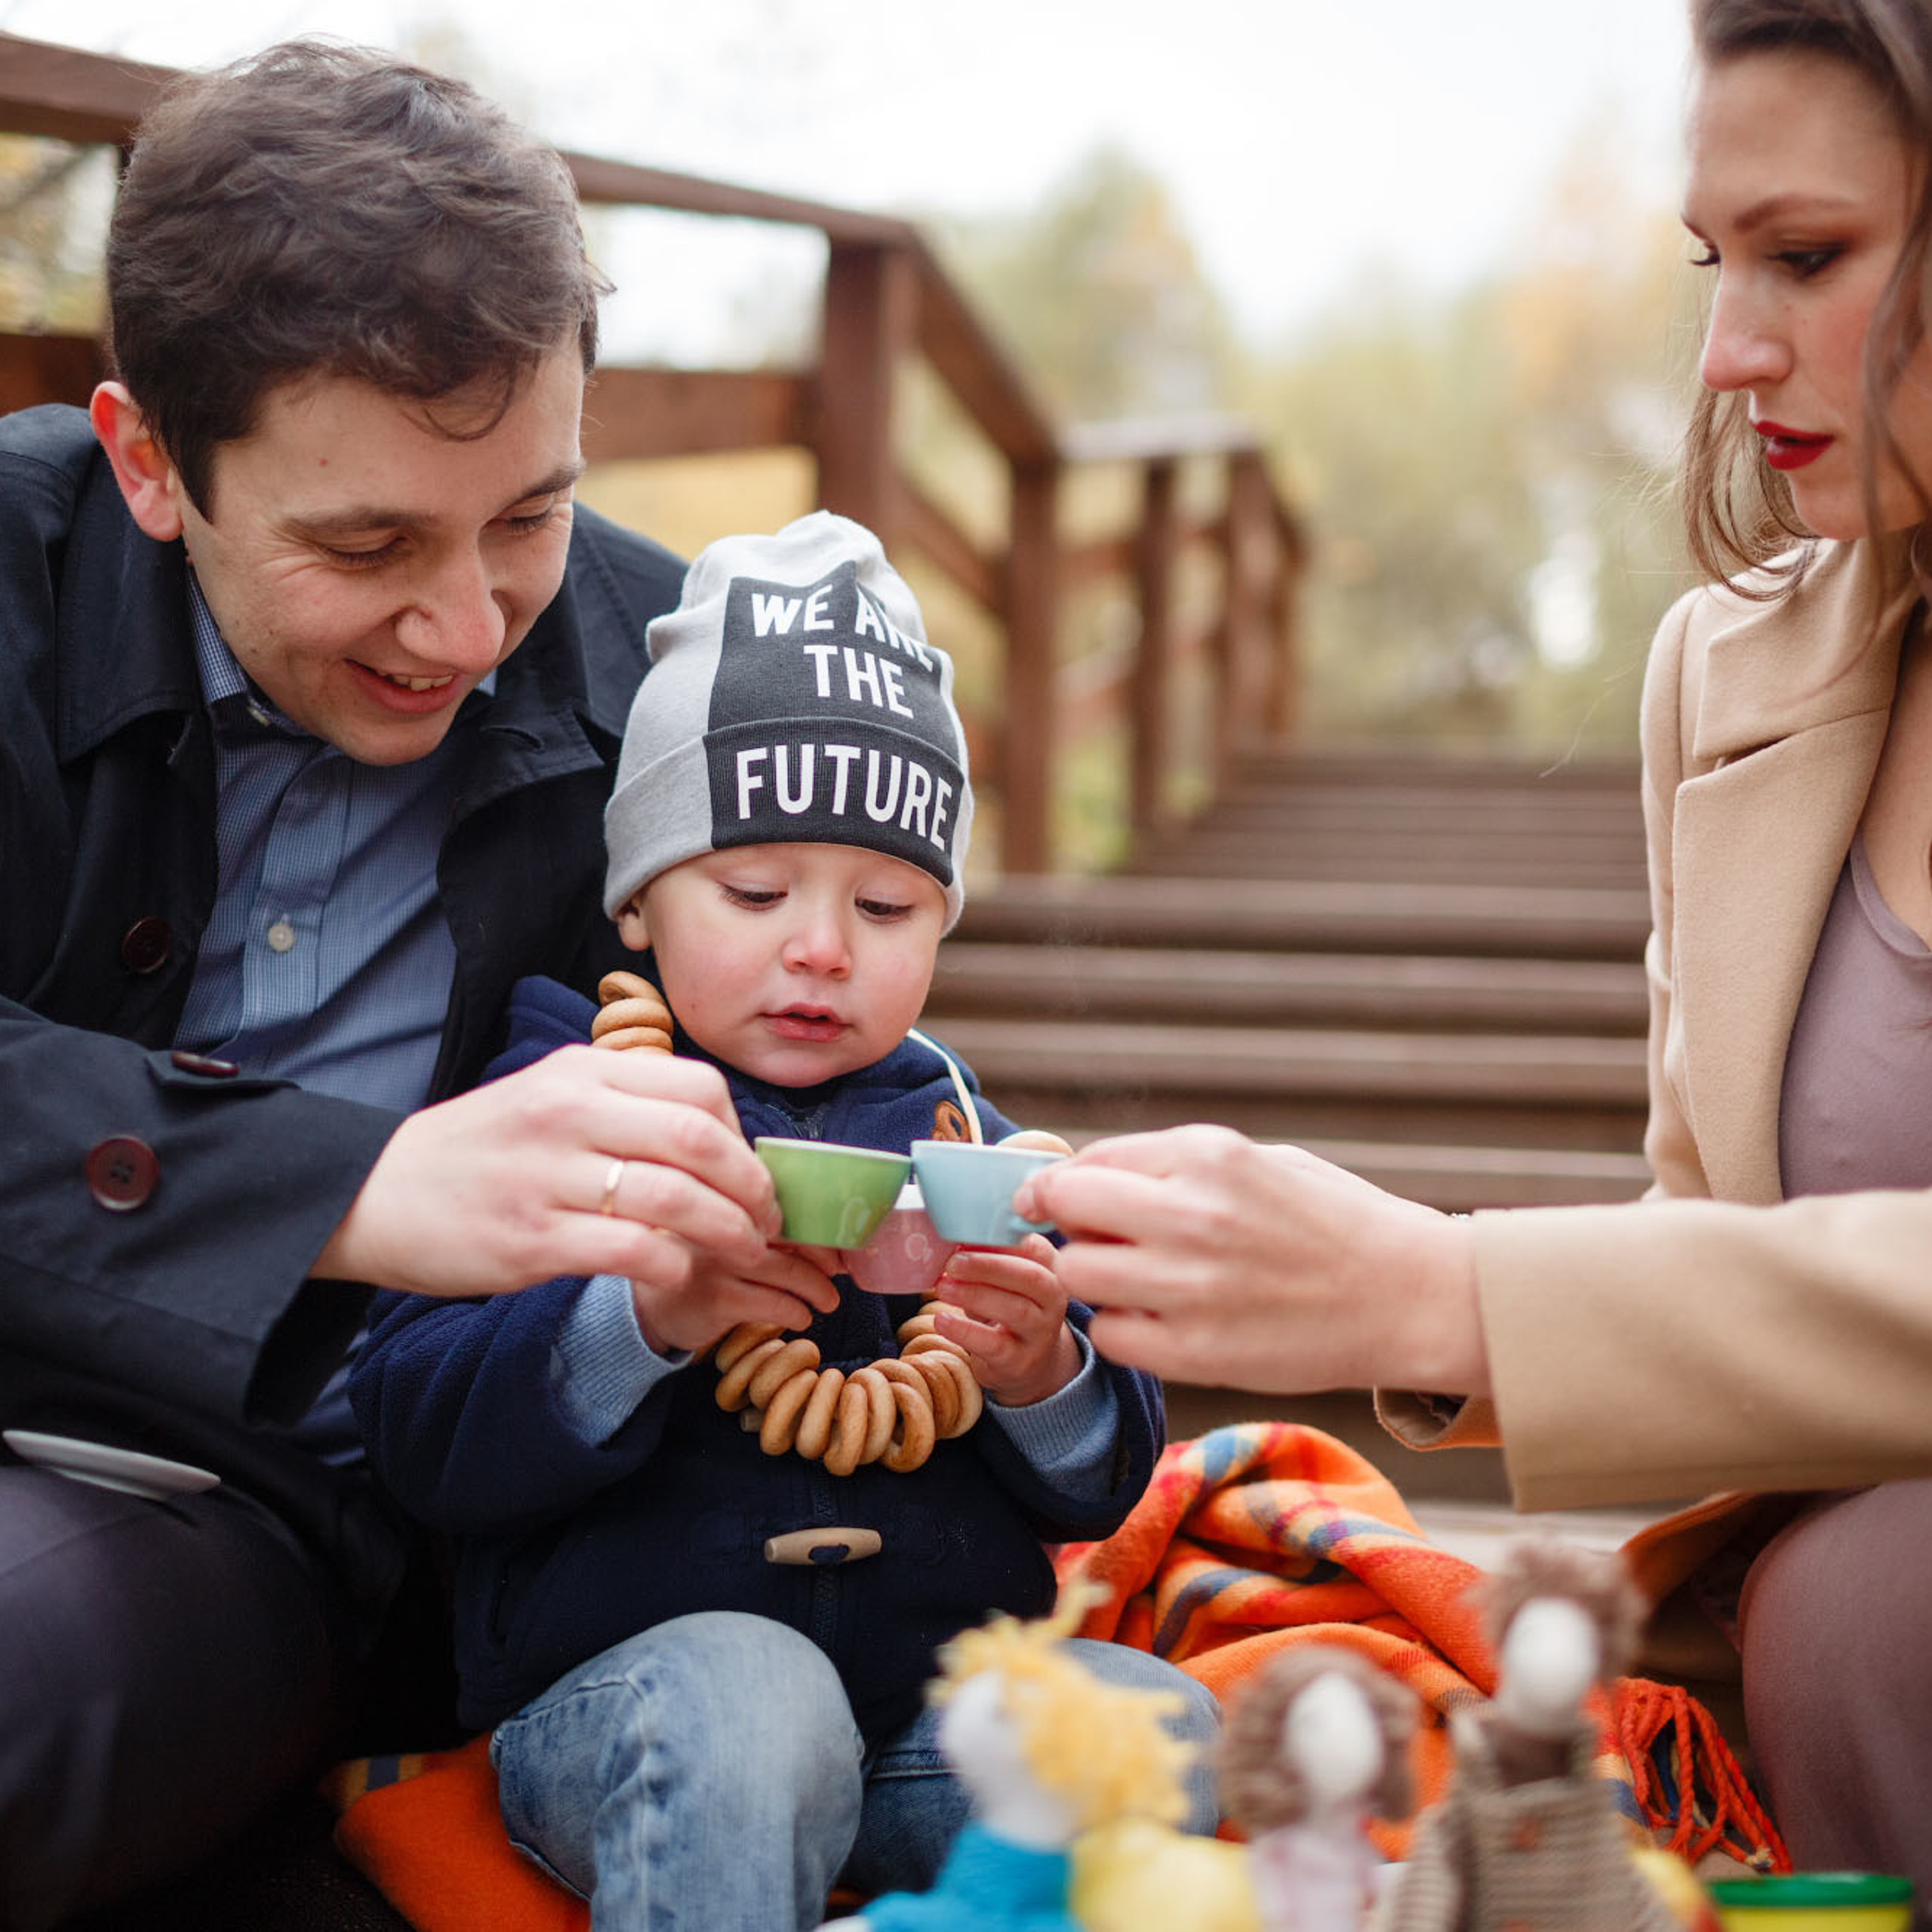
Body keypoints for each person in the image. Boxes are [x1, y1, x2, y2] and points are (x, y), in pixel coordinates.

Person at [1015, 0, 1932, 1906]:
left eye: (1808, 254)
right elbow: (1727, 1281)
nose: (1724, 354)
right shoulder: (1726, 671)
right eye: (1710, 262)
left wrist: (1432, 1286)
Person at [0, 42, 796, 1929]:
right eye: (367, 546)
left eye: (528, 517)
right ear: (144, 461)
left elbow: (840, 1070)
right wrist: (352, 1185)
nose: (466, 628)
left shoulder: (675, 687)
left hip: (259, 1511)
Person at [347, 513, 1220, 1932]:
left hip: (925, 1719)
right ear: (639, 900)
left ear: (943, 923)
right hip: (640, 1703)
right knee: (760, 1707)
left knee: (1158, 1729)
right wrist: (643, 1318)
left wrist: (1042, 1377)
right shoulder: (558, 1110)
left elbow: (1103, 1480)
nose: (820, 945)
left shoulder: (967, 1147)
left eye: (884, 904)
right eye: (755, 891)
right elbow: (412, 1430)